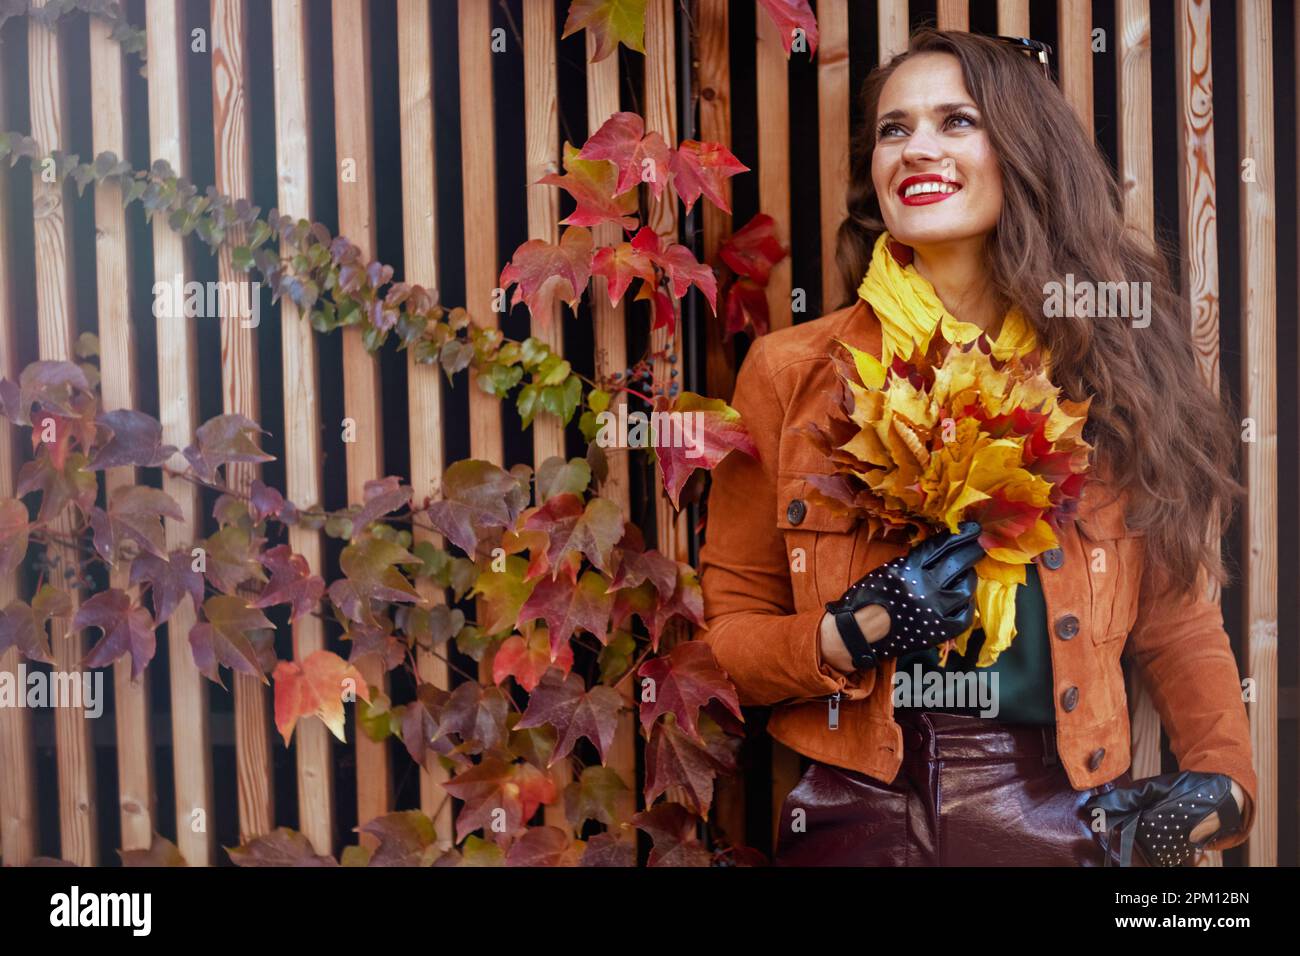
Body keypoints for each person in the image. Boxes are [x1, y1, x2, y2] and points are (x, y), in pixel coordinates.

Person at [695, 29, 1255, 867]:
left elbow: (1178, 619)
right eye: (894, 128)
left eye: (957, 121)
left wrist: (1225, 789)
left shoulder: (1111, 371)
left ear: (1024, 151)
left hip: (1062, 812)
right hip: (851, 813)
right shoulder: (789, 373)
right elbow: (728, 639)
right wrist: (850, 633)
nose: (917, 146)